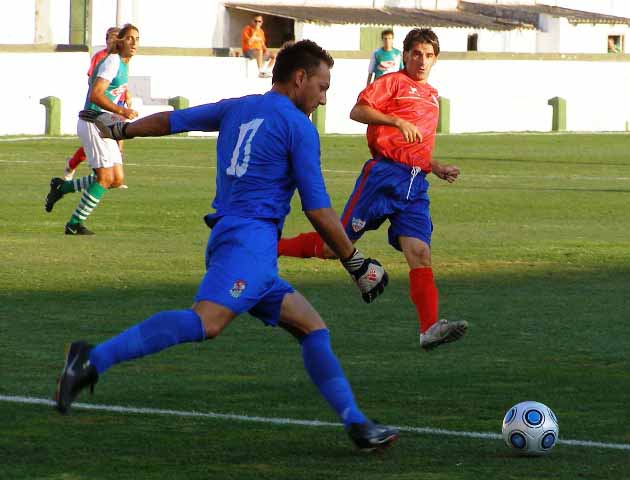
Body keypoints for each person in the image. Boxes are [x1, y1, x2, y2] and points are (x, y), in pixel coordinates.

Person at [54, 40, 398, 451]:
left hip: (235, 242)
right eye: (322, 87)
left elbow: (174, 121)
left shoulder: (238, 106)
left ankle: (357, 424)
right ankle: (93, 359)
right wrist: (355, 261)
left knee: (312, 328)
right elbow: (318, 210)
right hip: (249, 245)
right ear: (299, 78)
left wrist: (123, 128)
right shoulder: (298, 127)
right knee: (207, 322)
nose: (323, 99)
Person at [278, 29, 468, 351]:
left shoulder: (432, 94)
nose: (422, 61)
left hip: (415, 184)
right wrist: (395, 121)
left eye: (429, 55)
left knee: (420, 253)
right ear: (405, 55)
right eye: (417, 54)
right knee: (332, 246)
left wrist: (434, 166)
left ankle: (429, 328)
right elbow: (357, 111)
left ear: (436, 59)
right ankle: (272, 245)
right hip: (383, 177)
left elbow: (415, 143)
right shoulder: (391, 83)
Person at [44, 24, 140, 235]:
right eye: (130, 38)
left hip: (104, 124)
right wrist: (121, 111)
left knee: (117, 179)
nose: (134, 43)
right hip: (93, 122)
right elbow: (96, 95)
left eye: (137, 39)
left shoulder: (123, 63)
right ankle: (74, 223)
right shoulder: (112, 61)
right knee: (105, 178)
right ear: (121, 41)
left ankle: (63, 187)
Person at [62, 27, 131, 183]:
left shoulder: (123, 60)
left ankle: (112, 171)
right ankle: (74, 168)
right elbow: (95, 83)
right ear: (106, 40)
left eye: (116, 37)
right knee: (93, 152)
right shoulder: (103, 58)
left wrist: (126, 93)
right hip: (99, 110)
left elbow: (120, 82)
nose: (113, 41)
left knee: (117, 143)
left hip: (114, 105)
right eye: (111, 38)